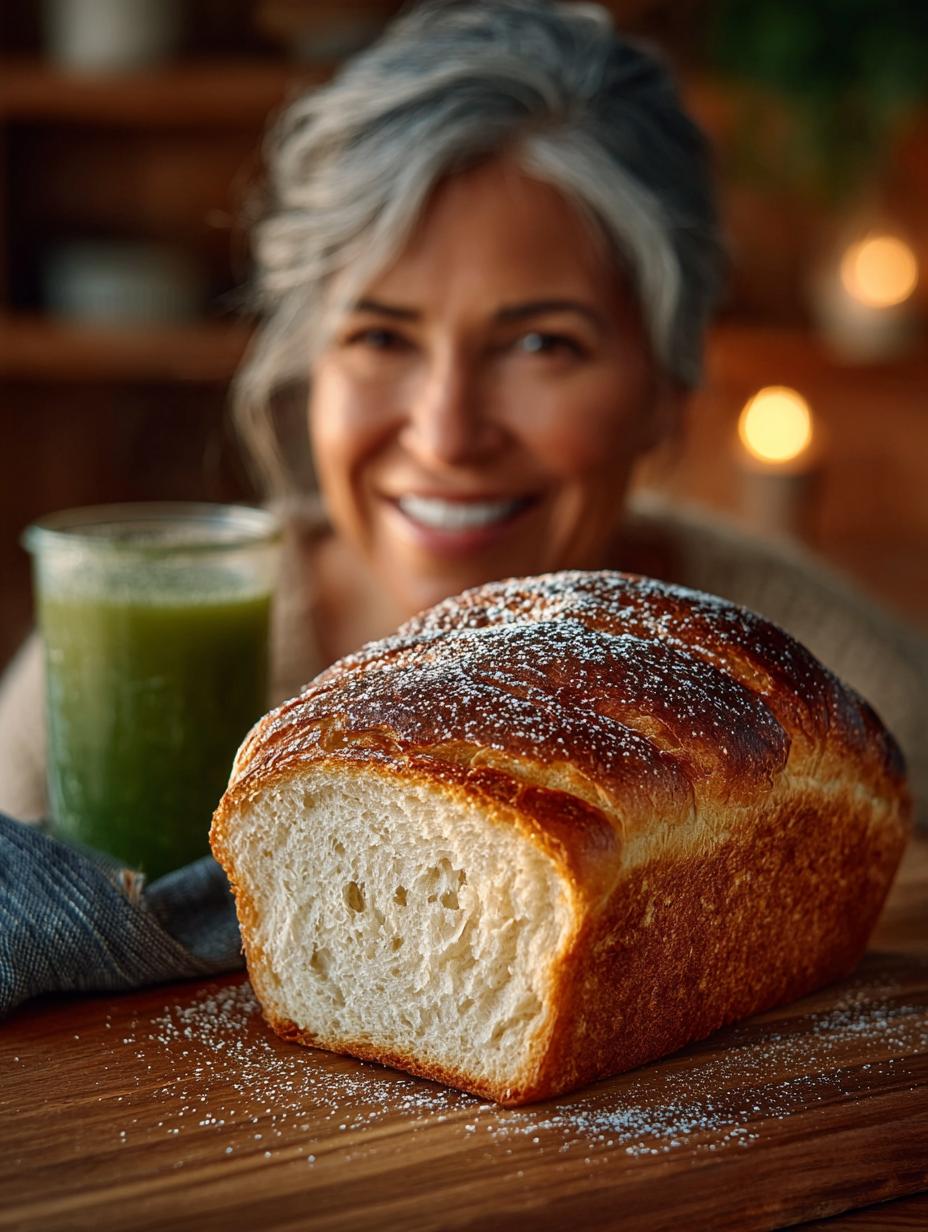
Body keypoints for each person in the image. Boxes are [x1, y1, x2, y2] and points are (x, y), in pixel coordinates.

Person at [1, 0, 926, 832]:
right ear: (308, 366)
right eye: (381, 338)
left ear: (666, 386)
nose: (446, 434)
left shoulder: (835, 695)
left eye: (541, 345)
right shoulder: (101, 670)